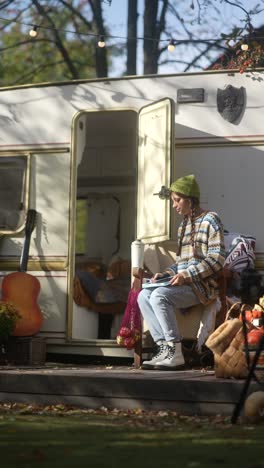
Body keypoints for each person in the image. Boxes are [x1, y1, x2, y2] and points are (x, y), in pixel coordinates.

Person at [137, 174, 226, 370]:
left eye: (177, 200)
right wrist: (167, 273)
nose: (174, 205)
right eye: (173, 201)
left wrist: (187, 275)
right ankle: (164, 349)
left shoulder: (211, 220)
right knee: (143, 295)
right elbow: (180, 263)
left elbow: (217, 258)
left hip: (202, 286)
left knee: (160, 296)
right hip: (182, 284)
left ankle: (175, 352)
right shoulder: (183, 226)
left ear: (190, 199)